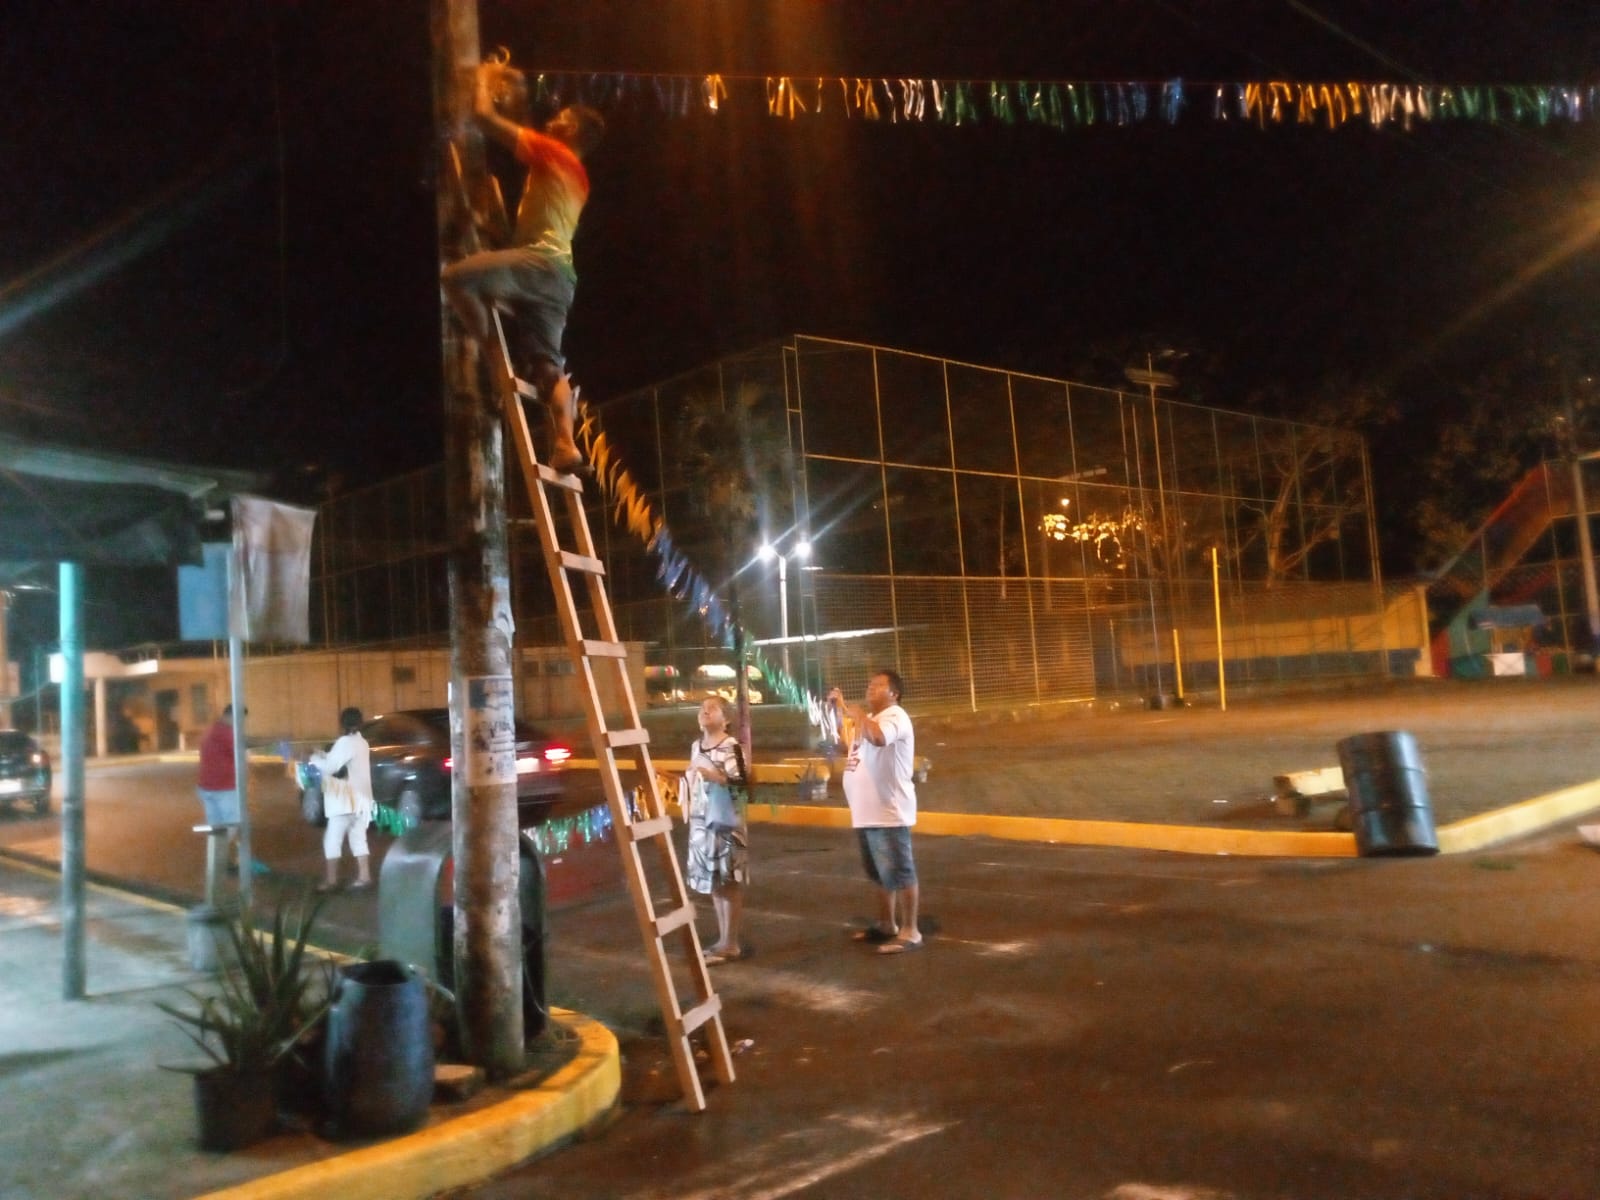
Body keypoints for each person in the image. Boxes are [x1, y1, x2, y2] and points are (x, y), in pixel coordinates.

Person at [441, 58, 605, 475]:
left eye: (563, 117)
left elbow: (483, 118)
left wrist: (486, 74)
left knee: (455, 279)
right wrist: (514, 91)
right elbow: (523, 128)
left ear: (572, 130)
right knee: (549, 367)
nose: (555, 118)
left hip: (539, 263)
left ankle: (492, 355)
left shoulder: (552, 153)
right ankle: (566, 445)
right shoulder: (577, 174)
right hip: (561, 279)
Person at [829, 670, 922, 955]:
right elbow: (847, 744)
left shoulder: (895, 716)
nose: (871, 687)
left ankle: (911, 931)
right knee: (880, 873)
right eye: (870, 683)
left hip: (888, 812)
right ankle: (886, 924)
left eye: (879, 684)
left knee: (900, 872)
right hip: (866, 812)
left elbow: (879, 738)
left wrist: (857, 714)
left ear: (894, 693)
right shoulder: (870, 720)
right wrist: (839, 711)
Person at [683, 696, 749, 964]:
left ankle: (730, 943)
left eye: (712, 708)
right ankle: (723, 941)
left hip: (725, 824)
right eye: (702, 708)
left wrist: (713, 777)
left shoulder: (731, 747)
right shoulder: (696, 746)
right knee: (714, 883)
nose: (705, 711)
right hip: (702, 823)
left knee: (728, 882)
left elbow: (741, 784)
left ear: (726, 719)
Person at [309, 706, 375, 893]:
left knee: (332, 840)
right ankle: (364, 877)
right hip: (361, 800)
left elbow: (330, 767)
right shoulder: (362, 743)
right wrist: (324, 755)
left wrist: (314, 757)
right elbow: (340, 760)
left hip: (344, 801)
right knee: (359, 839)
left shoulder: (345, 742)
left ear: (342, 723)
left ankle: (331, 881)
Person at [196, 704, 243, 872]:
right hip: (223, 788)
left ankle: (219, 863)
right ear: (232, 716)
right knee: (232, 824)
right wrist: (275, 739)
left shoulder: (211, 730)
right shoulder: (225, 732)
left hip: (207, 787)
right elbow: (242, 745)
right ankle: (224, 860)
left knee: (216, 827)